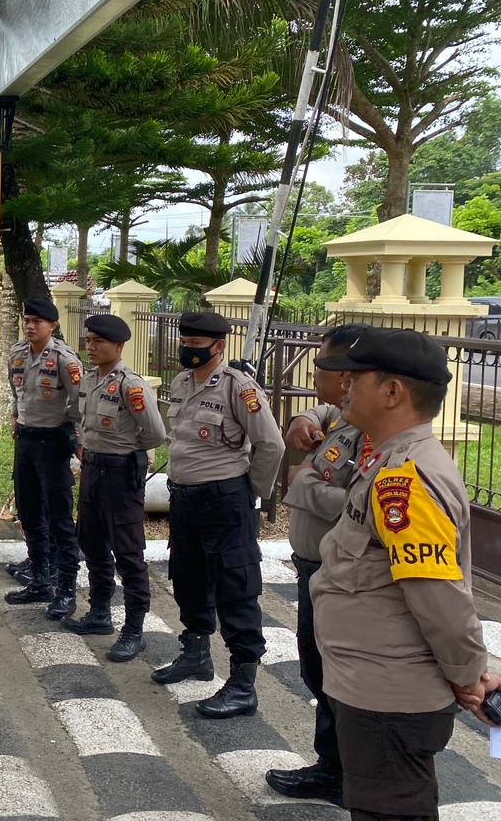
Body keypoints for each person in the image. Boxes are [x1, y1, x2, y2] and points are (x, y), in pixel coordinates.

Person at [311, 327, 487, 821]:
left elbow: (440, 597)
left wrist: (469, 675)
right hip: (372, 684)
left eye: (357, 378)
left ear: (392, 392)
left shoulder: (404, 479)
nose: (344, 386)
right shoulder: (385, 461)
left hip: (389, 698)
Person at [152, 310, 284, 720]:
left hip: (225, 500)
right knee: (188, 575)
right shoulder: (180, 382)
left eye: (197, 346)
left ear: (219, 346)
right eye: (185, 344)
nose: (188, 351)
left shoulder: (239, 388)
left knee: (235, 586)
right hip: (185, 500)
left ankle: (243, 683)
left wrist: (252, 493)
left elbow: (272, 445)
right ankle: (195, 655)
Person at [264, 323, 369, 805]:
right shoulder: (342, 417)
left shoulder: (372, 436)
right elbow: (321, 412)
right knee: (317, 670)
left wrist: (302, 482)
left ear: (348, 376)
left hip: (338, 575)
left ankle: (346, 774)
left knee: (334, 674)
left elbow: (358, 503)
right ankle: (333, 765)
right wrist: (300, 418)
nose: (314, 371)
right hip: (312, 567)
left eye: (323, 366)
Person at [63, 314, 166, 662]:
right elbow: (81, 421)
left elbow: (154, 433)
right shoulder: (90, 380)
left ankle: (134, 629)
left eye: (98, 342)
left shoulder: (131, 385)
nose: (91, 347)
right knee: (90, 542)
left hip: (121, 474)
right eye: (88, 341)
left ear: (119, 346)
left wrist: (125, 449)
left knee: (128, 552)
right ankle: (100, 612)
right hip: (93, 469)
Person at [5, 296, 84, 620]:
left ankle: (65, 588)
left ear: (52, 326)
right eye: (27, 320)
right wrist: (14, 416)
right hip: (25, 441)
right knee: (29, 512)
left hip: (53, 443)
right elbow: (16, 392)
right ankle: (39, 580)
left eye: (37, 322)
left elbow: (81, 404)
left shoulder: (65, 359)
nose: (30, 326)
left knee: (59, 517)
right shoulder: (17, 354)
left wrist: (76, 438)